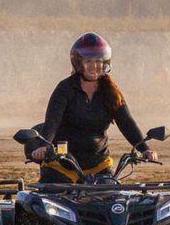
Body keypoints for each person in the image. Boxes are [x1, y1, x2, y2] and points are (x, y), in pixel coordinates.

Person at [27, 32, 156, 183]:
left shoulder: (111, 91)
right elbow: (52, 123)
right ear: (78, 63)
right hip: (62, 165)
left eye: (98, 61)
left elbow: (126, 122)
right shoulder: (65, 89)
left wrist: (144, 148)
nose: (94, 66)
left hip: (99, 167)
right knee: (45, 202)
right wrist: (43, 147)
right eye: (88, 61)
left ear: (105, 63)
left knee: (112, 200)